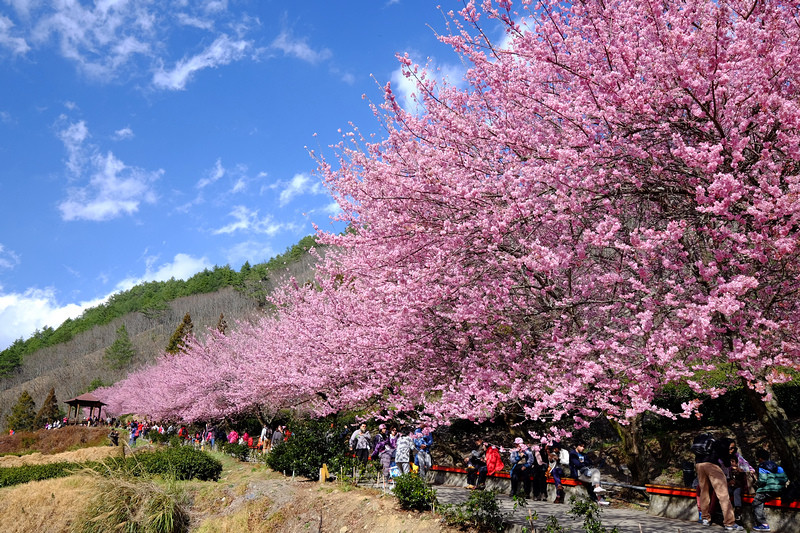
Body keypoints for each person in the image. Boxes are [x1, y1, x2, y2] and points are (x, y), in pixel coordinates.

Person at [693, 432, 743, 530]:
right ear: (726, 445)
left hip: (699, 465)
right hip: (712, 466)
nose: (732, 450)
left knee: (704, 492)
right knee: (723, 494)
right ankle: (730, 523)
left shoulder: (709, 446)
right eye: (731, 448)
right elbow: (727, 463)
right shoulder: (721, 447)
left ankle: (705, 519)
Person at [751, 448, 787, 531]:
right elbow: (785, 479)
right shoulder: (778, 466)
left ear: (760, 458)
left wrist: (756, 483)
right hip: (780, 491)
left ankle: (763, 524)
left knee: (756, 502)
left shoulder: (762, 466)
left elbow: (762, 481)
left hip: (768, 491)